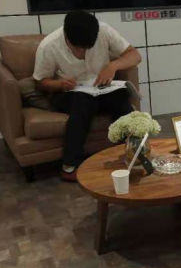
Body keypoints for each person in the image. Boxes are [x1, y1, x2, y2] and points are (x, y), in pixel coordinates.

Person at [33, 11, 142, 181]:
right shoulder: (49, 46)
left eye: (88, 47)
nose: (83, 51)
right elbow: (40, 82)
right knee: (83, 103)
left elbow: (135, 55)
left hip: (100, 88)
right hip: (69, 92)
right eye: (78, 48)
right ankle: (69, 165)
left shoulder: (104, 31)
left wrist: (113, 66)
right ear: (66, 36)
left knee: (120, 98)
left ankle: (135, 153)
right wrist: (59, 84)